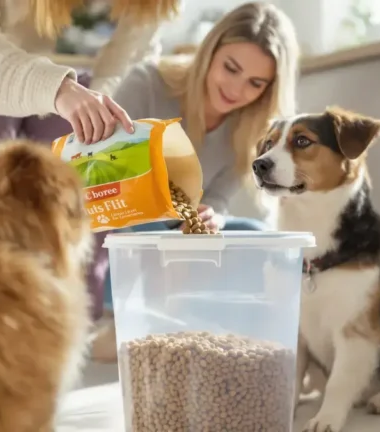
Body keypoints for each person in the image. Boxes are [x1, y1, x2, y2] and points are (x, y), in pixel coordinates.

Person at [0, 0, 180, 321]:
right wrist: (56, 88)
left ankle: (67, 333)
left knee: (84, 222)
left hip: (89, 86)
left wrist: (103, 104)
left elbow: (129, 54)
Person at [89, 1, 301, 362]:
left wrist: (212, 216)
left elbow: (218, 197)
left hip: (183, 233)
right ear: (210, 52)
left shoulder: (251, 129)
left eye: (255, 83)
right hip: (125, 235)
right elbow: (102, 175)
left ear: (269, 88)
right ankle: (149, 329)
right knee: (162, 233)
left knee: (257, 236)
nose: (236, 89)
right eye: (230, 68)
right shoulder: (148, 84)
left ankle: (208, 331)